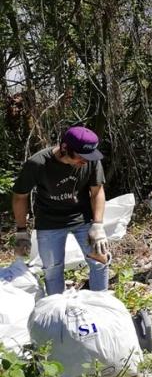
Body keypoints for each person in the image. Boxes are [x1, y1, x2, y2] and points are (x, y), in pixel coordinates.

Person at [11, 126, 109, 295]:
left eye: (89, 157)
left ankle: (101, 302)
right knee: (52, 270)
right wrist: (21, 231)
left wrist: (98, 225)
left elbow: (97, 191)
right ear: (64, 147)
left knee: (100, 259)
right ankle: (56, 307)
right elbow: (20, 196)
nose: (85, 161)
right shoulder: (38, 163)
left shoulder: (90, 159)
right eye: (80, 156)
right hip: (50, 222)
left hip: (82, 218)